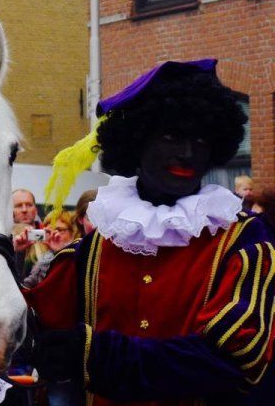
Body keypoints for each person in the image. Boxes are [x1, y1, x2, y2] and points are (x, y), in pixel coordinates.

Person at [25, 59, 275, 405]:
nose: (187, 153)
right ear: (137, 142)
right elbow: (29, 323)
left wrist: (96, 357)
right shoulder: (95, 248)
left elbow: (236, 355)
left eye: (200, 140)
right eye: (171, 137)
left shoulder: (246, 240)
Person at [21, 209, 79, 289]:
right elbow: (26, 287)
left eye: (60, 230)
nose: (54, 234)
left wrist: (60, 253)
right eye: (49, 231)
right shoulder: (41, 259)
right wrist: (19, 251)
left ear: (72, 233)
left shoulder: (79, 255)